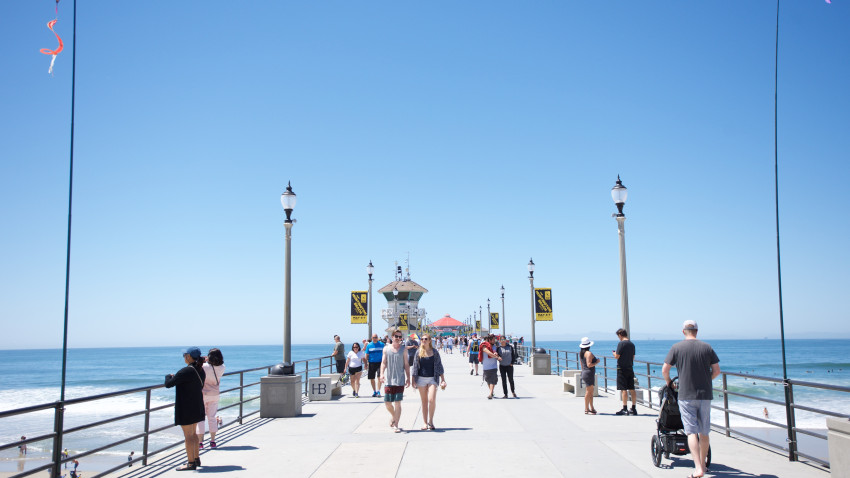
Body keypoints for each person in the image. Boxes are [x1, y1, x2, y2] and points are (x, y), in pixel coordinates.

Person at [661, 320, 721, 478]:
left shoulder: (677, 347)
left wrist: (669, 383)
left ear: (683, 331)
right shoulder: (707, 347)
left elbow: (665, 369)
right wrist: (707, 380)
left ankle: (698, 468)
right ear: (697, 331)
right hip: (705, 394)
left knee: (691, 432)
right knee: (704, 431)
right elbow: (716, 371)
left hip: (686, 394)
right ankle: (703, 465)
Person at [165, 346, 206, 471]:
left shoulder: (186, 371)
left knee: (188, 436)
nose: (184, 357)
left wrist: (168, 376)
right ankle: (196, 459)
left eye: (184, 355)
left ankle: (190, 463)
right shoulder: (200, 370)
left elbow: (169, 384)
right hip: (197, 405)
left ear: (188, 356)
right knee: (193, 434)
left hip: (186, 407)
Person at [411, 333, 446, 430]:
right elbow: (414, 367)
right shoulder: (418, 352)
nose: (423, 340)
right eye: (422, 339)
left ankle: (431, 421)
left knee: (431, 400)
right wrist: (413, 380)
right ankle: (424, 423)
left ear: (430, 340)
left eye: (425, 339)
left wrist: (443, 379)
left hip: (432, 378)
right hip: (421, 379)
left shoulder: (435, 352)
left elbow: (439, 366)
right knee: (424, 401)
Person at [380, 328, 411, 432]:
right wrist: (381, 374)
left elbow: (406, 364)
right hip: (389, 380)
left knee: (397, 402)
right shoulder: (386, 349)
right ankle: (394, 416)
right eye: (396, 336)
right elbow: (383, 363)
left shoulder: (404, 349)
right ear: (392, 337)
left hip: (400, 379)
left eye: (399, 337)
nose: (398, 338)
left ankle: (396, 424)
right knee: (387, 403)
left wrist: (408, 378)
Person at [197, 348, 225, 449]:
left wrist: (203, 361)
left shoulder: (204, 366)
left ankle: (200, 442)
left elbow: (198, 368)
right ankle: (213, 441)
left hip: (203, 394)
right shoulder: (222, 367)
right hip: (215, 394)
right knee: (212, 418)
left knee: (200, 418)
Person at [613, 328, 637, 415]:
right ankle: (634, 408)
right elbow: (633, 357)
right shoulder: (632, 344)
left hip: (621, 369)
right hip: (630, 368)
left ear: (620, 335)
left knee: (623, 389)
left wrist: (614, 353)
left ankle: (625, 408)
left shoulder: (621, 344)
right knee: (632, 388)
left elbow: (617, 356)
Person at [579, 337, 600, 414]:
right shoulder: (589, 353)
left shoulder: (581, 353)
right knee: (588, 392)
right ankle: (586, 408)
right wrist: (597, 362)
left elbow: (582, 364)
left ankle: (592, 408)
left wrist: (583, 372)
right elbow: (589, 364)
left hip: (585, 372)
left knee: (591, 391)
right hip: (589, 373)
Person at [481, 334, 500, 399]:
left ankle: (490, 393)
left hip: (493, 366)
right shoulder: (484, 346)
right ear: (490, 340)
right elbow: (489, 353)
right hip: (486, 367)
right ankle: (491, 392)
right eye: (493, 339)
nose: (494, 341)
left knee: (492, 380)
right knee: (488, 381)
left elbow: (495, 352)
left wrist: (496, 354)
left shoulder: (495, 346)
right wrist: (497, 357)